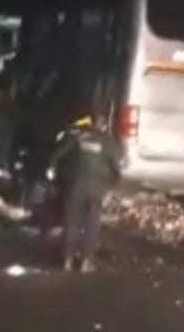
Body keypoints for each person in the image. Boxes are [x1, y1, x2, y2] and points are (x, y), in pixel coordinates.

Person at [50, 114, 121, 273]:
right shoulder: (107, 142)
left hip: (74, 187)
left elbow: (56, 157)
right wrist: (110, 187)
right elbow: (116, 169)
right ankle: (86, 262)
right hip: (96, 189)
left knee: (71, 222)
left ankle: (67, 261)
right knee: (92, 225)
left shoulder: (76, 137)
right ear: (103, 125)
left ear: (89, 123)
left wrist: (56, 178)